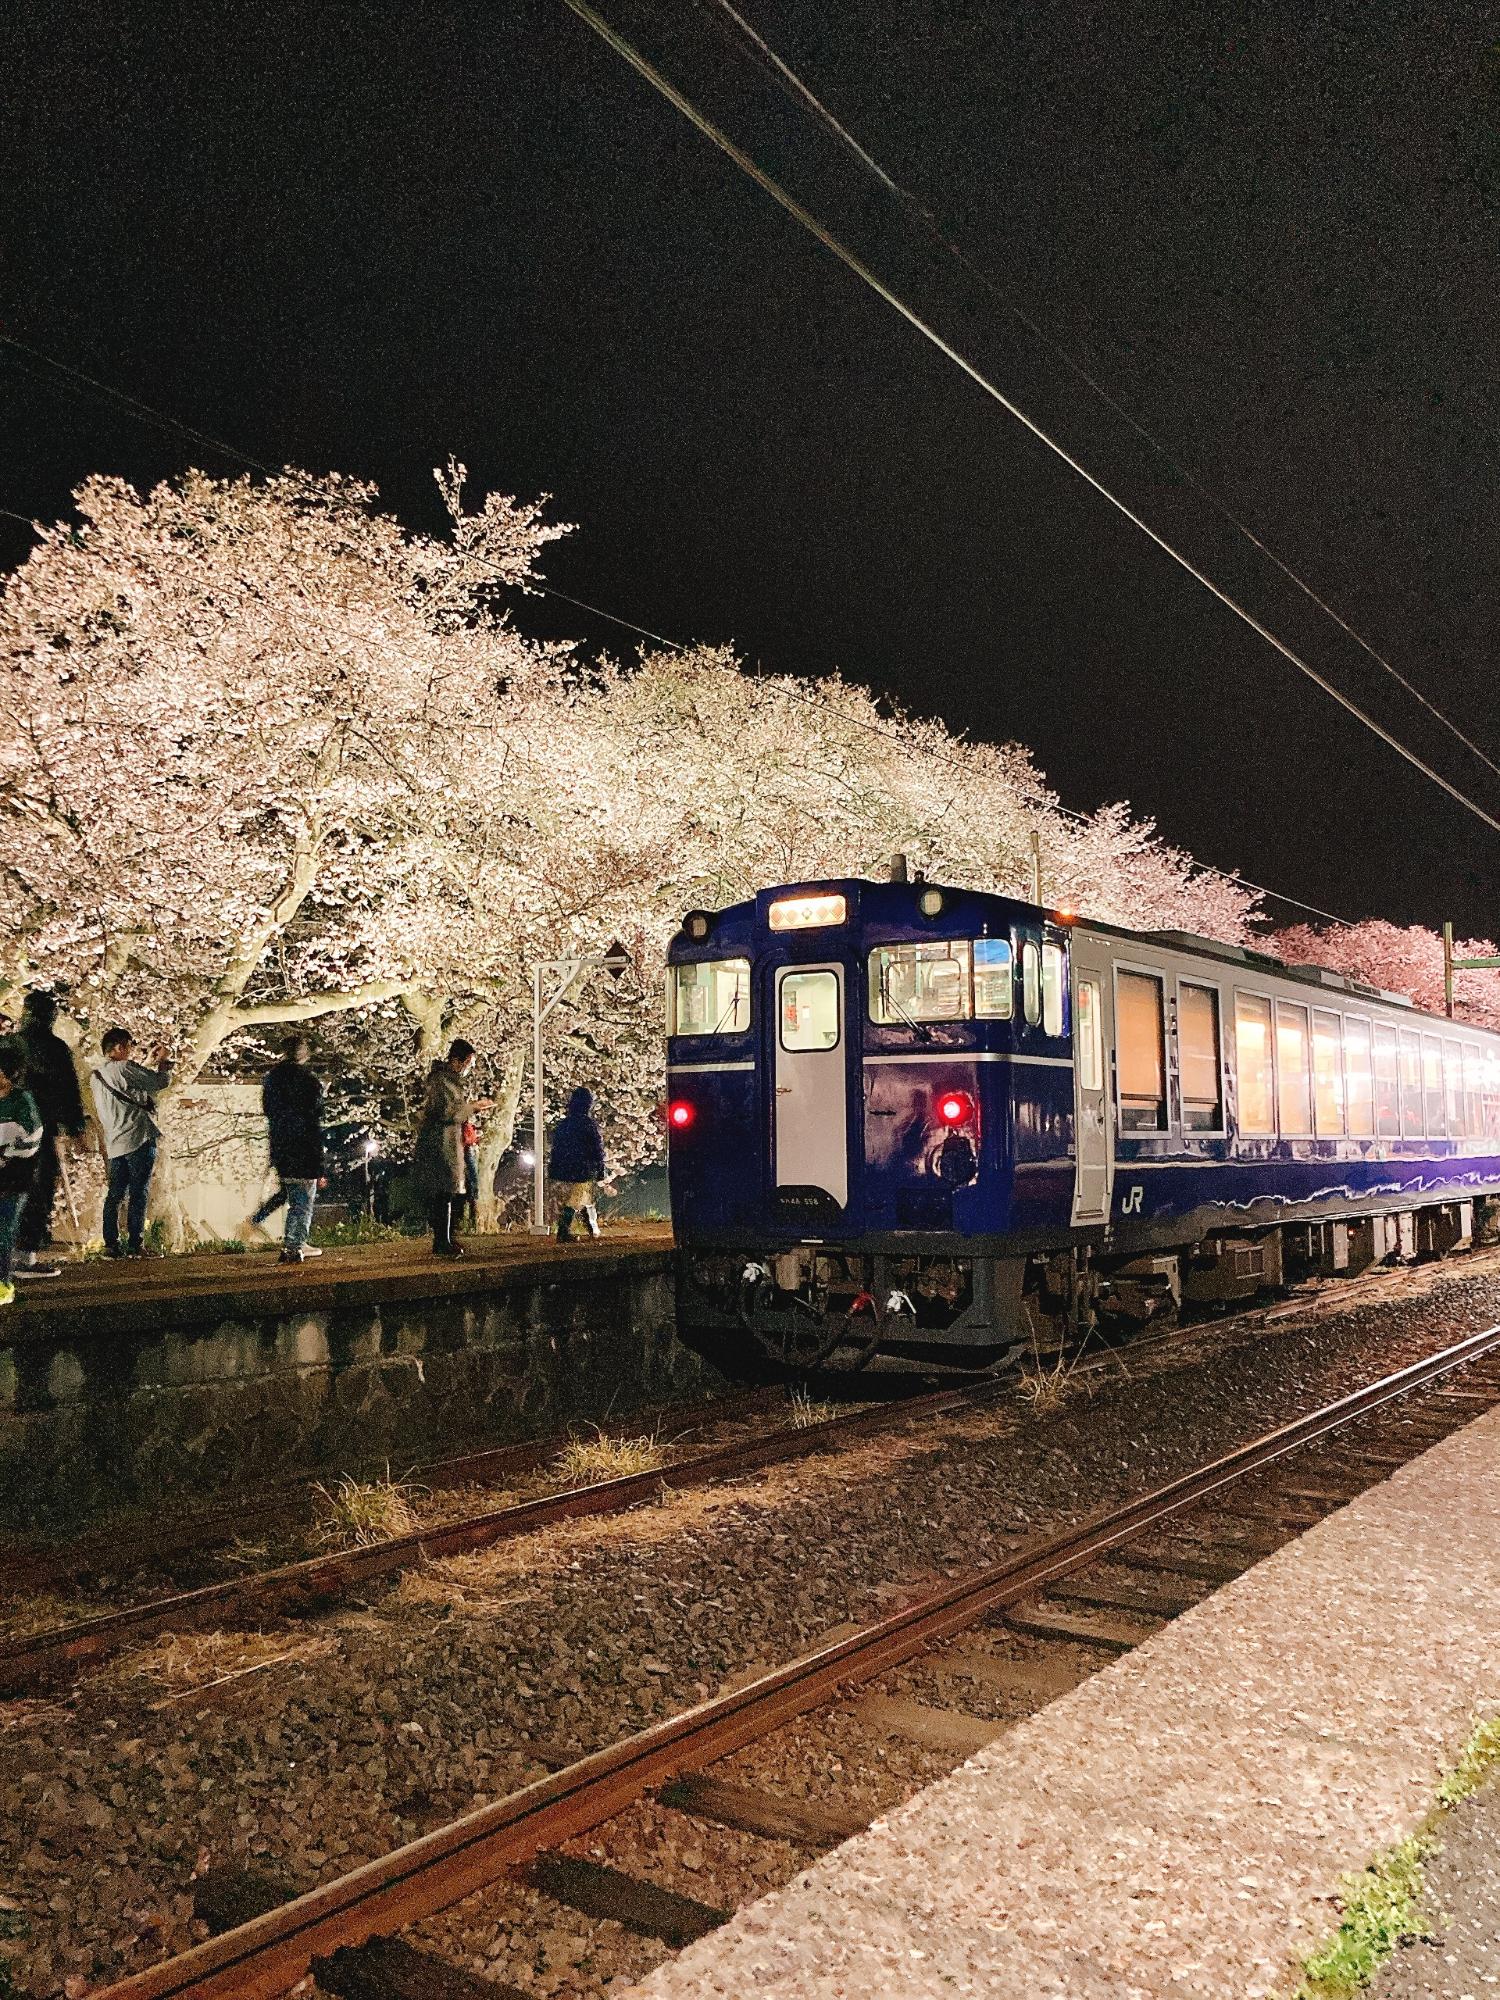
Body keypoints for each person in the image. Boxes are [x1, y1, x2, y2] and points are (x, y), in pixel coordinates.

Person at [15, 992, 87, 1277]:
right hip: (39, 1129)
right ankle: (25, 1257)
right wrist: (76, 1128)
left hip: (3, 1130)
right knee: (38, 1188)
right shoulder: (55, 1048)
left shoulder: (7, 1044)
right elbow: (68, 1091)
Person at [89, 1027, 171, 1258]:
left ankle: (111, 1245)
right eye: (128, 1045)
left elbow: (129, 1091)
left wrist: (147, 1062)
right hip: (138, 1138)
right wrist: (163, 1062)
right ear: (118, 1047)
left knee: (114, 1194)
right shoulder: (125, 1068)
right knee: (139, 1192)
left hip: (114, 1142)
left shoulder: (96, 1077)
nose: (131, 1049)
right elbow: (158, 1082)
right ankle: (136, 1244)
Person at [412, 1041, 492, 1257]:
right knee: (444, 1191)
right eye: (467, 1062)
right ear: (457, 1060)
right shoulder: (442, 1081)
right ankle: (442, 1241)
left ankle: (445, 1239)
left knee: (447, 1192)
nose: (468, 1067)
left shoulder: (447, 1080)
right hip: (441, 1141)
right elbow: (449, 1112)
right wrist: (473, 1107)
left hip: (447, 1139)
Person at [252, 1035, 327, 1265]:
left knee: (292, 1194)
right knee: (302, 1201)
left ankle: (289, 1240)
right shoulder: (309, 1081)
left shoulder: (272, 1079)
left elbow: (268, 1109)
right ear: (302, 1053)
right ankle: (294, 1246)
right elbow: (315, 1115)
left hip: (281, 1144)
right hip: (304, 1146)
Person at [0, 1038, 43, 1306]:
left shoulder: (22, 1100)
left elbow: (33, 1138)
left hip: (13, 1177)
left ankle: (3, 1284)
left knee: (3, 1228)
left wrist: (7, 1154)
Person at [549, 1086, 606, 1242]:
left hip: (564, 1167)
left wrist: (554, 1167)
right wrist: (600, 1168)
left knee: (580, 1198)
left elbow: (556, 1148)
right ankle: (565, 1231)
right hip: (582, 1168)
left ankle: (591, 1229)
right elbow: (596, 1148)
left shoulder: (564, 1124)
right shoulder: (588, 1124)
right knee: (577, 1199)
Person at [460, 1116, 480, 1233]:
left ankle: (473, 1196)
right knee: (473, 1177)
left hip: (469, 1149)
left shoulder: (467, 1126)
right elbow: (466, 1139)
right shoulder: (464, 1127)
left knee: (473, 1177)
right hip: (468, 1150)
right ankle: (473, 1196)